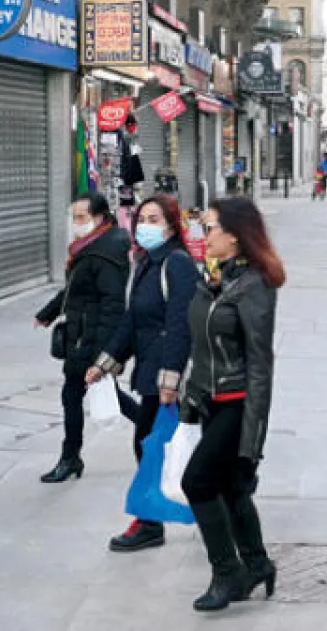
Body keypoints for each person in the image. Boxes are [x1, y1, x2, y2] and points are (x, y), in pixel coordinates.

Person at [177, 197, 283, 612]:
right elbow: (201, 345)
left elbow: (261, 363)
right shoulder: (216, 278)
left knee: (198, 483)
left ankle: (227, 571)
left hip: (238, 402)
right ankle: (256, 564)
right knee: (229, 487)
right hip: (210, 399)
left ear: (236, 236)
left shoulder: (255, 286)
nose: (203, 236)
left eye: (211, 228)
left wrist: (253, 437)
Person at [84, 193, 200, 552]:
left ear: (170, 225)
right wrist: (103, 365)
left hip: (167, 373)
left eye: (154, 219)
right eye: (142, 220)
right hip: (150, 369)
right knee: (158, 446)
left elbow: (181, 324)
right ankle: (164, 517)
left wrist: (170, 380)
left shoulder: (176, 264)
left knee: (158, 446)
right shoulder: (146, 263)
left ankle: (154, 522)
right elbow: (132, 322)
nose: (146, 226)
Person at [34, 192, 136, 483]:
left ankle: (70, 458)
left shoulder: (103, 254)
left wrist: (103, 356)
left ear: (100, 218)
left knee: (73, 394)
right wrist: (48, 313)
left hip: (90, 339)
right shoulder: (89, 248)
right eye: (74, 217)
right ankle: (155, 432)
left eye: (82, 217)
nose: (76, 223)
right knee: (100, 393)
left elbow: (113, 305)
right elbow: (75, 290)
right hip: (82, 334)